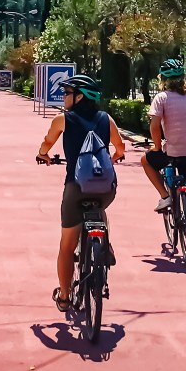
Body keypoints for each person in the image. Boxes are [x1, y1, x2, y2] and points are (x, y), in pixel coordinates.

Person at [36, 75, 125, 312]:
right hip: (106, 189)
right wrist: (113, 160)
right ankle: (104, 242)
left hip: (76, 187)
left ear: (79, 96)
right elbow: (120, 147)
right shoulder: (107, 119)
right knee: (100, 207)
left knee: (66, 247)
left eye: (67, 93)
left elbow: (47, 143)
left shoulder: (62, 120)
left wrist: (43, 154)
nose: (63, 97)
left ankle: (64, 296)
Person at [140, 58, 186, 246]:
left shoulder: (161, 98)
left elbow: (155, 126)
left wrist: (156, 146)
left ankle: (165, 197)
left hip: (174, 151)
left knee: (146, 161)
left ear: (162, 79)